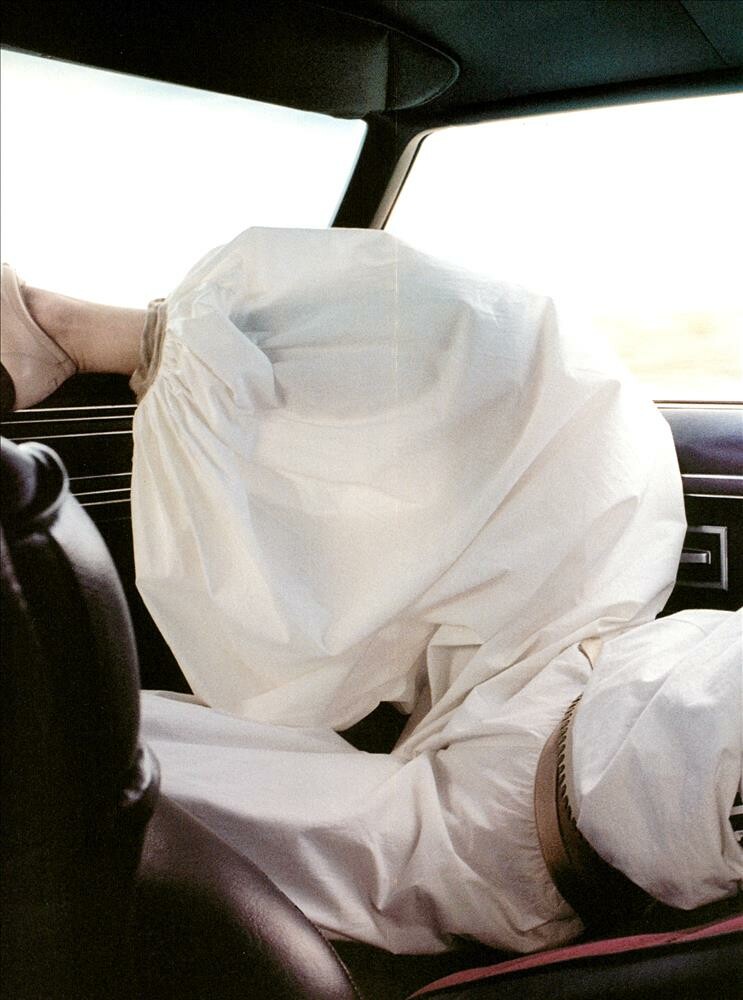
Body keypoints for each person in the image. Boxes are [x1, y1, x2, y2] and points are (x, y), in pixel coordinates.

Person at [1, 229, 741, 955]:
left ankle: (84, 335)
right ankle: (83, 332)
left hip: (524, 818)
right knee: (557, 380)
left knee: (86, 769)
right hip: (597, 654)